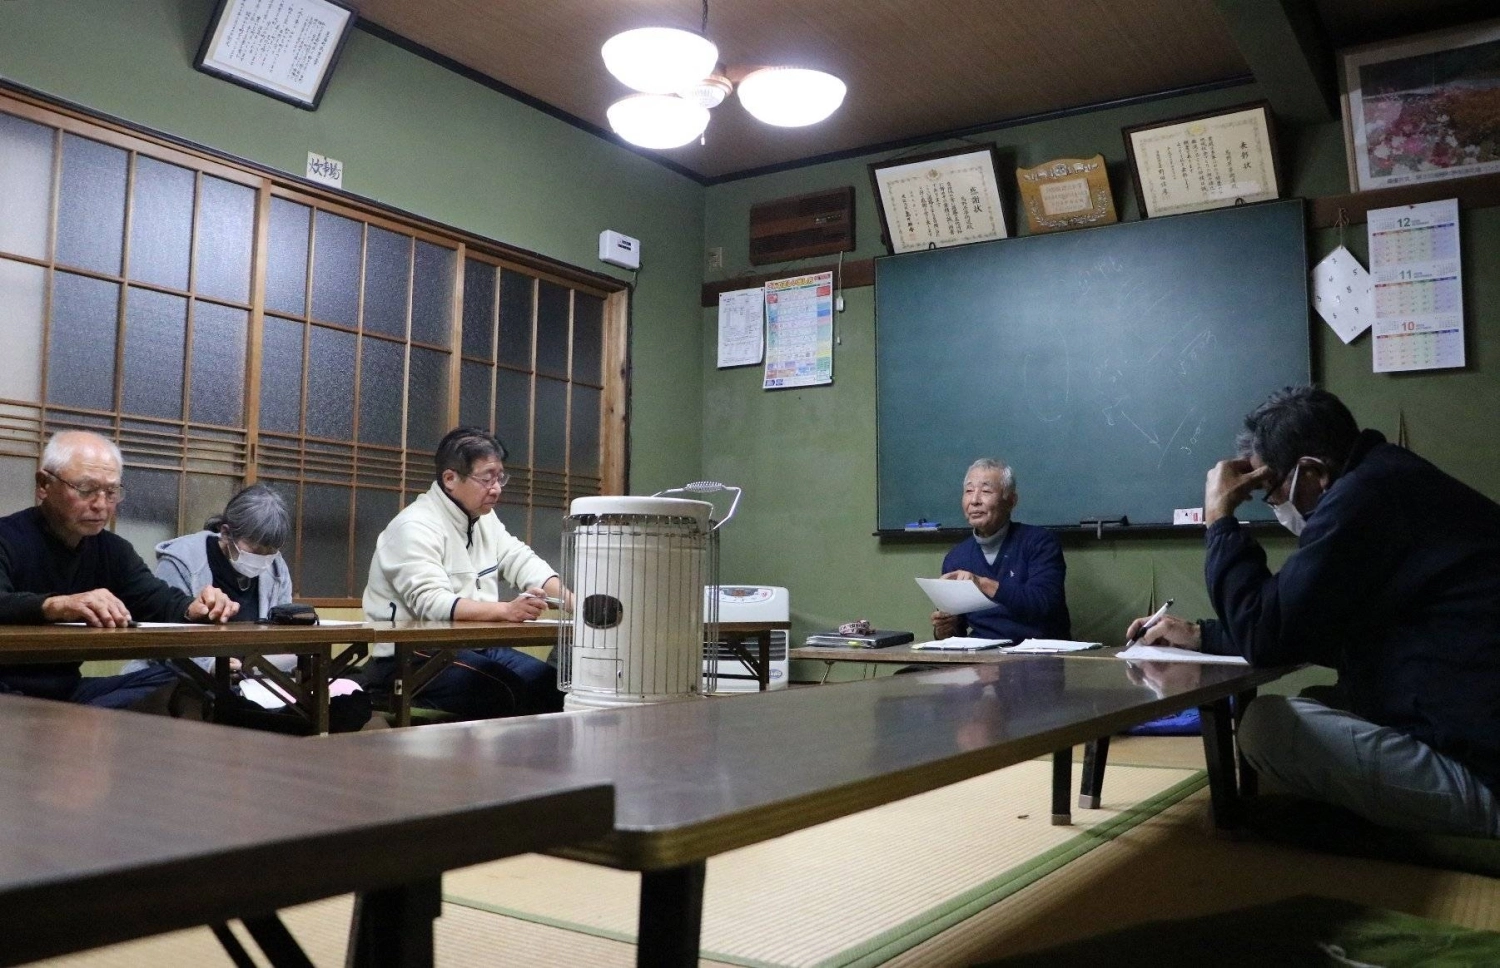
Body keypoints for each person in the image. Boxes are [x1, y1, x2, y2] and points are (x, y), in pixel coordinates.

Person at [1125, 386, 1500, 837]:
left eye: (1271, 490)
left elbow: (1269, 634)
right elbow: (1306, 625)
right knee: (1320, 703)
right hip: (1468, 725)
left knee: (1265, 728)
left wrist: (1220, 517)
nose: (1276, 505)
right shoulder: (1391, 480)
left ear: (1313, 472)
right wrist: (1202, 635)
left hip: (1486, 777)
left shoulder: (1362, 500)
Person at [0, 430, 237, 708]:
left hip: (68, 691)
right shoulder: (6, 537)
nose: (101, 504)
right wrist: (57, 605)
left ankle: (64, 724)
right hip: (5, 685)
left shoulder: (113, 551)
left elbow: (155, 600)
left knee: (183, 676)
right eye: (86, 489)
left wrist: (195, 608)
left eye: (111, 492)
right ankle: (67, 725)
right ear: (44, 485)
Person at [122, 484, 370, 732]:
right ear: (226, 533)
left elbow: (282, 632)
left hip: (254, 682)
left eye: (271, 552)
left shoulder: (275, 567)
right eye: (255, 551)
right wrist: (210, 664)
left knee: (344, 706)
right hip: (182, 680)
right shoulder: (183, 561)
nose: (263, 560)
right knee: (204, 707)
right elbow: (161, 637)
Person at [362, 427, 565, 719]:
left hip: (473, 648)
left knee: (549, 687)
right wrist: (507, 610)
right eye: (486, 478)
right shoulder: (414, 526)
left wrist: (576, 602)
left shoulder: (483, 518)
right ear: (450, 479)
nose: (496, 488)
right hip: (410, 656)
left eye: (499, 477)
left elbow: (520, 560)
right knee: (504, 693)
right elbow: (432, 603)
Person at [931, 458, 1070, 642]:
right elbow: (958, 633)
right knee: (910, 672)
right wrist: (945, 629)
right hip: (980, 658)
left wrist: (982, 583)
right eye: (969, 491)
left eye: (986, 491)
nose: (974, 500)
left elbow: (1043, 604)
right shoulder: (957, 558)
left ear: (1011, 500)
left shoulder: (1039, 543)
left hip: (1035, 656)